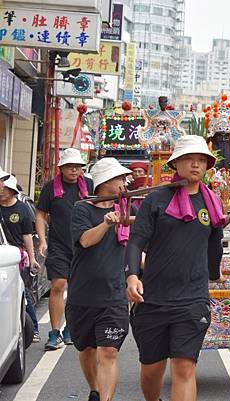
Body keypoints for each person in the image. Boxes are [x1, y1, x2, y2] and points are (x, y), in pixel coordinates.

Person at [125, 136, 225, 401]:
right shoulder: (156, 199)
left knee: (184, 367)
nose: (196, 164)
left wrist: (214, 274)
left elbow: (215, 246)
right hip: (153, 298)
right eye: (189, 159)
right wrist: (132, 275)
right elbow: (136, 241)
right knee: (151, 369)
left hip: (192, 300)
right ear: (176, 164)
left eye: (201, 160)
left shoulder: (212, 202)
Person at [66, 158, 133, 401]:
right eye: (119, 178)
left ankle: (105, 399)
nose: (124, 182)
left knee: (108, 351)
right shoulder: (82, 208)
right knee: (86, 349)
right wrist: (106, 224)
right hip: (82, 295)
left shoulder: (127, 210)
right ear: (104, 182)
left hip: (114, 296)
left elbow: (136, 247)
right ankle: (95, 390)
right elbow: (85, 241)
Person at [36, 148, 93, 351]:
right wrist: (42, 240)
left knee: (77, 288)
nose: (74, 170)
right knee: (58, 284)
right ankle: (54, 332)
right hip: (59, 245)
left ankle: (71, 327)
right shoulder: (51, 188)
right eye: (70, 166)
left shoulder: (89, 185)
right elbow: (41, 214)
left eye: (78, 167)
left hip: (83, 245)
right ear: (61, 168)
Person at [0, 175, 40, 342]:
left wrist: (32, 259)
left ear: (12, 191)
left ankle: (33, 329)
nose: (2, 191)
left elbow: (27, 236)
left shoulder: (22, 209)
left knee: (22, 292)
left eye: (5, 189)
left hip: (17, 257)